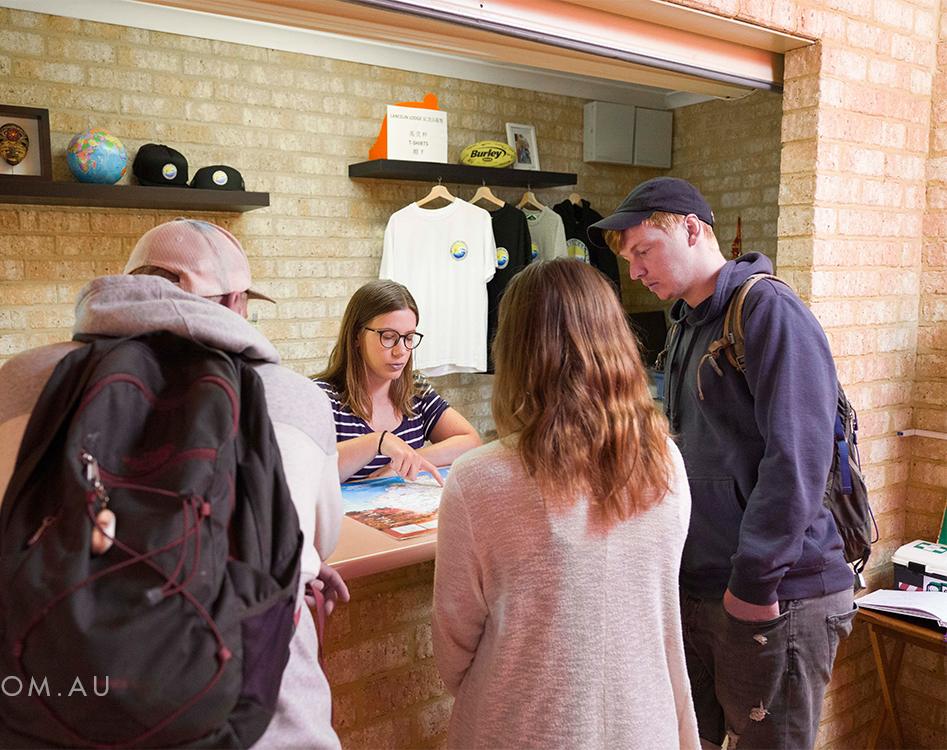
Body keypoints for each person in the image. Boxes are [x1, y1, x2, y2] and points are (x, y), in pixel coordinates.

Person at [0, 218, 348, 749]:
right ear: (234, 302)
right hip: (265, 719)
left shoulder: (20, 381)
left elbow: (19, 526)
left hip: (80, 705)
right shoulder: (296, 396)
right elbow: (318, 539)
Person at [589, 177, 856, 750]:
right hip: (704, 586)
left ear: (692, 228)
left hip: (778, 592)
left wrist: (755, 581)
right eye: (628, 258)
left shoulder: (768, 310)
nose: (634, 272)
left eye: (643, 251)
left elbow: (799, 462)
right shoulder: (687, 323)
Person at [431, 259, 699, 750]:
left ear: (512, 349)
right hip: (646, 721)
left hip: (521, 725)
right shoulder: (668, 464)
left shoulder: (478, 480)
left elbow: (453, 651)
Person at [313, 279, 482, 484]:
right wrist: (378, 441)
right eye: (388, 336)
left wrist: (410, 460)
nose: (401, 351)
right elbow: (306, 471)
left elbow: (471, 442)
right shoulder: (321, 397)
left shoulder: (415, 391)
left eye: (409, 338)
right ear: (356, 336)